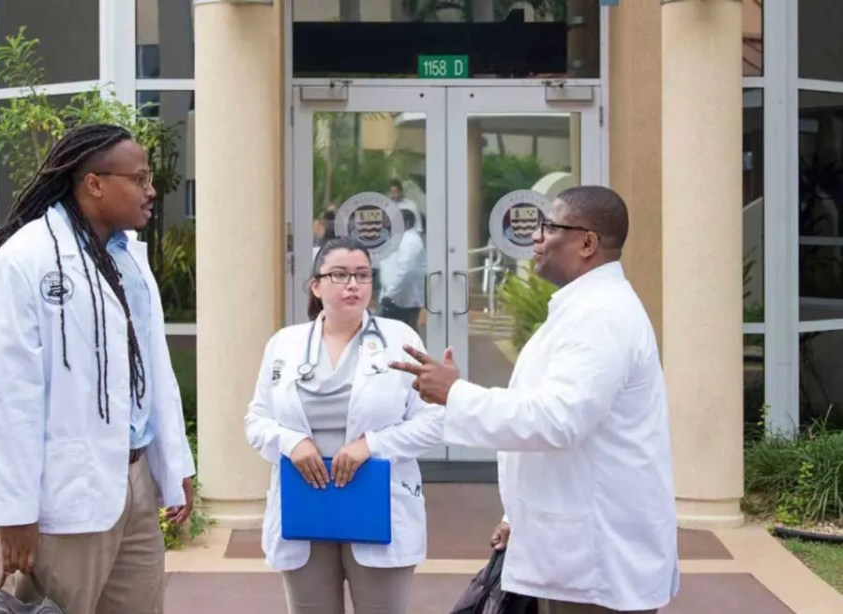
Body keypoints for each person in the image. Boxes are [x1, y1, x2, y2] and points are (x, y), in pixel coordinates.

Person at [391, 186, 679, 614]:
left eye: (549, 227)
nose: (536, 237)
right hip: (569, 549)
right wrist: (516, 519)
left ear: (587, 242)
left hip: (595, 563)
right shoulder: (582, 308)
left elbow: (557, 419)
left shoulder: (602, 317)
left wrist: (455, 393)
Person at [0, 124, 196, 614]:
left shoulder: (130, 258)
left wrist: (175, 466)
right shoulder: (25, 260)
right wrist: (16, 513)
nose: (151, 190)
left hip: (133, 485)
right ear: (94, 183)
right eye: (139, 178)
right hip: (65, 495)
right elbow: (10, 398)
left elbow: (153, 374)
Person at [245, 237, 443, 614]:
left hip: (379, 503)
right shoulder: (284, 344)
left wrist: (372, 445)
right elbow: (256, 419)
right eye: (339, 274)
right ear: (316, 286)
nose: (353, 284)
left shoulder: (400, 339)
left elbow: (433, 421)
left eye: (362, 275)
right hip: (306, 502)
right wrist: (291, 442)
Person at [377, 209, 426, 331]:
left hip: (403, 300)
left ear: (407, 222)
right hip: (394, 297)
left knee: (404, 335)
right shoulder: (399, 238)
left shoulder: (410, 241)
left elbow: (406, 271)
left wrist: (390, 294)